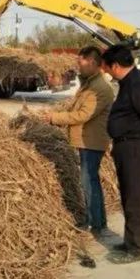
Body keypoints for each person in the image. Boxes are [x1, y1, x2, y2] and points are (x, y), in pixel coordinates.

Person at [41, 46, 114, 236]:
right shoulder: (89, 84)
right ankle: (95, 221)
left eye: (80, 62)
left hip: (91, 142)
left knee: (89, 182)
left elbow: (82, 114)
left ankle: (96, 224)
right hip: (84, 141)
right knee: (89, 182)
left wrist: (54, 118)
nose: (77, 66)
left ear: (92, 62)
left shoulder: (100, 89)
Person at [101, 44, 140, 264]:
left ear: (115, 66)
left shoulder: (137, 85)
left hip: (135, 147)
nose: (106, 71)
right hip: (126, 146)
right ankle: (129, 241)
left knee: (135, 198)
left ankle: (136, 249)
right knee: (128, 195)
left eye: (107, 67)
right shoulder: (128, 82)